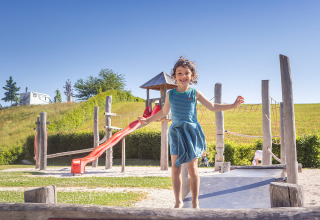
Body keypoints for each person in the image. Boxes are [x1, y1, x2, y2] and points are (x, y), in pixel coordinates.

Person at [138, 57, 244, 209]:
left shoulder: (195, 93)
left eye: (186, 73)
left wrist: (233, 105)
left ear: (192, 76)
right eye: (179, 73)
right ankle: (178, 201)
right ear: (174, 76)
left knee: (192, 169)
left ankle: (195, 202)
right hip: (176, 133)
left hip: (191, 132)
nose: (183, 76)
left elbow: (213, 106)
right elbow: (163, 111)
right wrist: (147, 120)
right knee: (175, 168)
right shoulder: (170, 94)